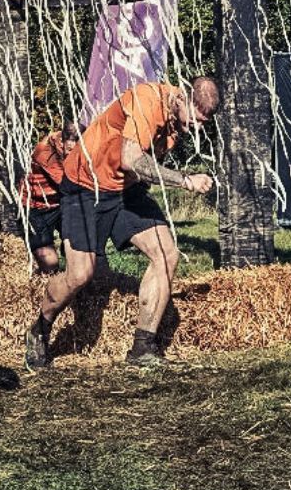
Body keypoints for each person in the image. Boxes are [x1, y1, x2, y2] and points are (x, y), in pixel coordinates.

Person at [24, 77, 219, 371]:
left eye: (204, 123)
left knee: (167, 255)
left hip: (124, 190)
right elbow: (131, 159)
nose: (197, 128)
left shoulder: (176, 123)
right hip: (85, 186)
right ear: (182, 98)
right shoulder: (147, 99)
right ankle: (39, 328)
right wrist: (186, 180)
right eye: (196, 119)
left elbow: (136, 168)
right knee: (79, 275)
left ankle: (143, 348)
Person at [20, 120, 79, 274]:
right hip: (35, 207)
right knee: (50, 264)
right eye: (70, 149)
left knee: (80, 250)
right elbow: (68, 183)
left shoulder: (79, 146)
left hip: (60, 203)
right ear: (62, 140)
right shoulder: (45, 150)